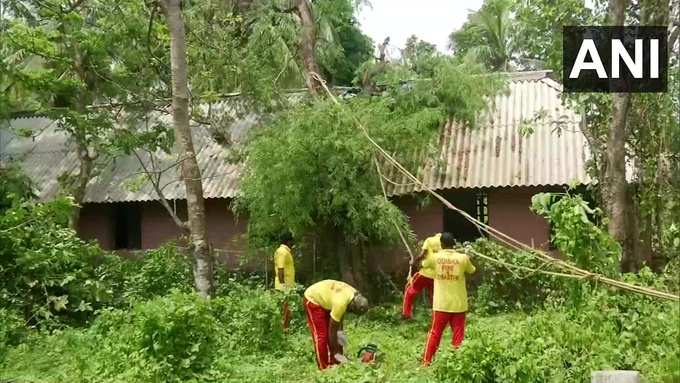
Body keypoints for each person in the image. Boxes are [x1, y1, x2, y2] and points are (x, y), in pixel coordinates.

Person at [422, 232, 476, 366]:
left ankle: (426, 362)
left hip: (441, 304)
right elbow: (472, 270)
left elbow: (423, 263)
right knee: (458, 334)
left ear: (441, 244)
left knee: (435, 333)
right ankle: (457, 363)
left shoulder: (435, 257)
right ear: (455, 243)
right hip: (459, 304)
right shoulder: (463, 258)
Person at [303, 280, 369, 370]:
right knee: (322, 335)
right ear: (352, 305)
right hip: (313, 299)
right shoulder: (341, 303)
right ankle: (324, 368)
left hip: (327, 298)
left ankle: (335, 362)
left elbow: (339, 329)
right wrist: (336, 353)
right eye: (352, 311)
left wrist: (341, 352)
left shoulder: (353, 294)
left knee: (337, 333)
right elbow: (332, 332)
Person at [401, 233, 441, 319]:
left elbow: (423, 254)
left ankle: (406, 314)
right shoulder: (445, 244)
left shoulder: (429, 240)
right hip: (437, 276)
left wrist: (414, 262)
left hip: (425, 273)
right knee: (434, 296)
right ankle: (437, 316)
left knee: (410, 289)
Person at [273, 233, 295, 330]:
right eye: (292, 241)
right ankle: (284, 330)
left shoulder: (285, 251)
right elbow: (280, 269)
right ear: (288, 241)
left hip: (286, 285)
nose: (293, 243)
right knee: (285, 309)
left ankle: (285, 328)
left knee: (287, 309)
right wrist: (283, 285)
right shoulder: (282, 252)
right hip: (284, 286)